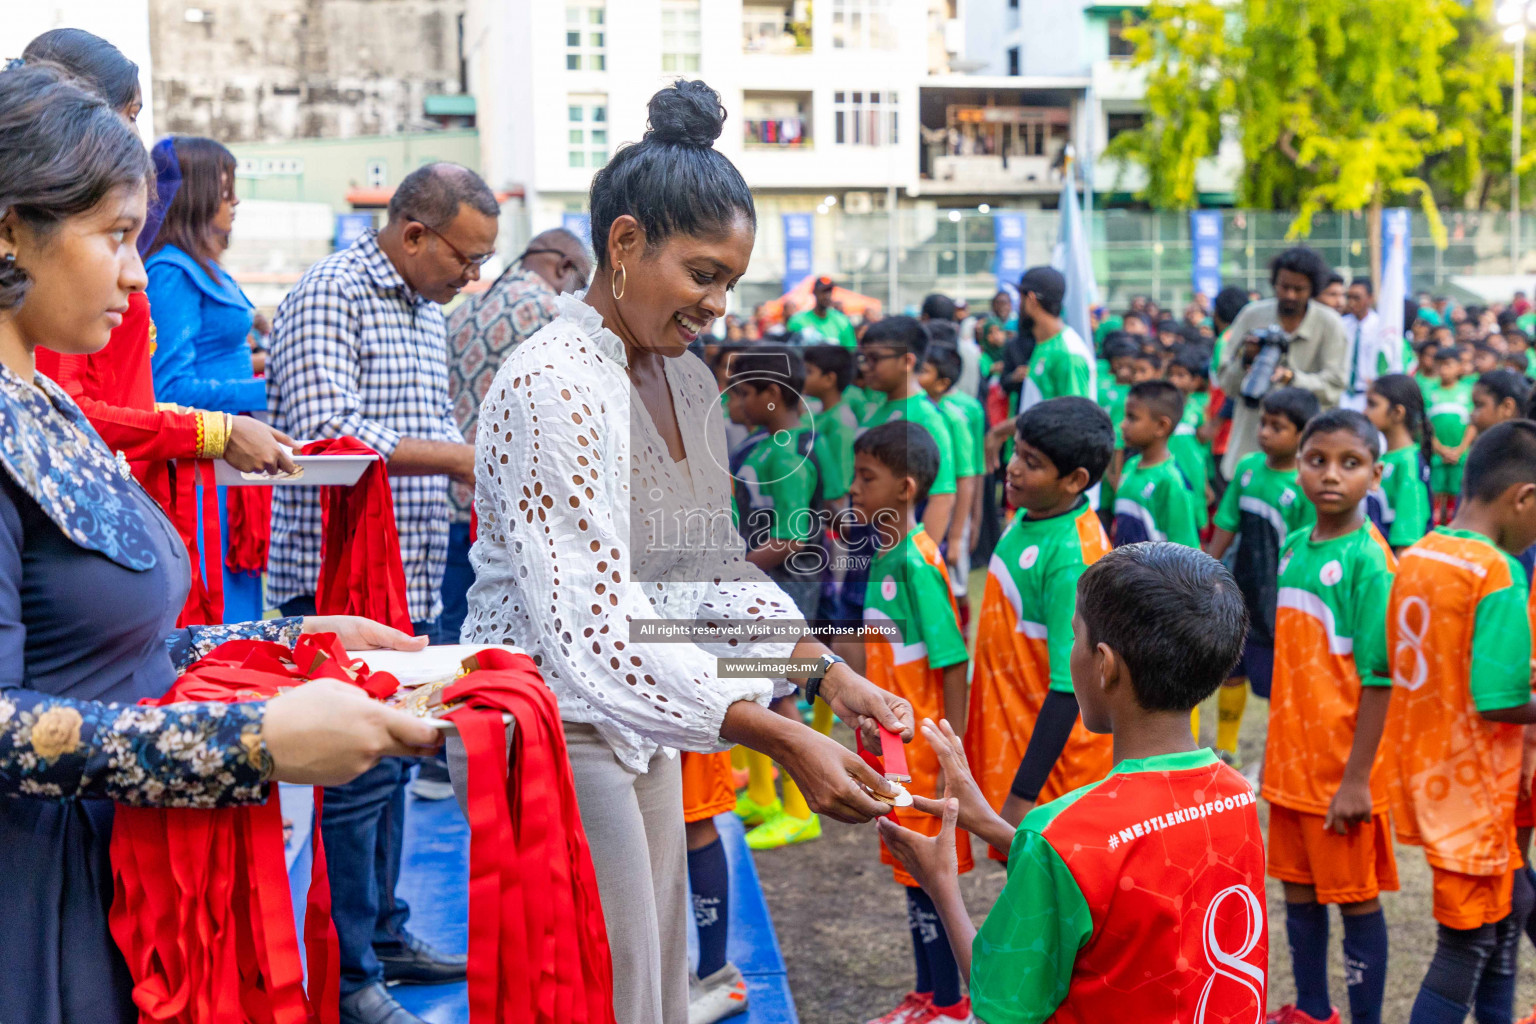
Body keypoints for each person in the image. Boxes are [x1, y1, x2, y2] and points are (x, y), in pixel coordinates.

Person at [461, 79, 914, 1024]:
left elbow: (702, 582)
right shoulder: (553, 382)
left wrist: (824, 677)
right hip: (550, 721)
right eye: (703, 274)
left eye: (729, 283)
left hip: (642, 710)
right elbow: (588, 633)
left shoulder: (685, 380)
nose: (717, 304)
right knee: (609, 990)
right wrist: (779, 734)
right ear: (624, 245)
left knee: (660, 983)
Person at [0, 63, 444, 1024]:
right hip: (30, 907)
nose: (134, 271)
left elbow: (118, 658)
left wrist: (290, 640)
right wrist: (248, 740)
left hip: (105, 878)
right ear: (9, 231)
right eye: (117, 236)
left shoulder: (51, 411)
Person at [266, 161, 499, 1024]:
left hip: (408, 566)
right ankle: (351, 973)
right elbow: (329, 431)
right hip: (334, 581)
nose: (470, 278)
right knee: (353, 775)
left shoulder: (422, 310)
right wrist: (463, 460)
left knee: (398, 760)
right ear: (412, 235)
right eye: (465, 260)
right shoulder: (331, 293)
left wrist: (482, 477)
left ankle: (386, 933)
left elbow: (430, 430)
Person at [877, 543, 1267, 1024]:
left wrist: (940, 884)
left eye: (1074, 637)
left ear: (1105, 664)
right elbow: (1119, 888)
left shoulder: (1060, 835)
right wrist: (997, 828)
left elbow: (1000, 1001)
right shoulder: (1235, 796)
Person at [21, 30, 296, 629]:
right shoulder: (24, 425)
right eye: (114, 236)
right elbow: (80, 409)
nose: (139, 276)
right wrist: (215, 427)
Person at [1385, 421, 1536, 1024]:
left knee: (1501, 928)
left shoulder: (1419, 554)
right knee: (1467, 945)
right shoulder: (1496, 572)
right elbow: (1497, 700)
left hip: (1429, 776)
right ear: (1523, 497)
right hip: (1472, 786)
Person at [1263, 410, 1398, 1024]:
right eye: (1318, 461)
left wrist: (1357, 779)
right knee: (1297, 891)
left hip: (1339, 771)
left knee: (1355, 900)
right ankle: (1312, 1010)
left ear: (1376, 473)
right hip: (1291, 764)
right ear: (1299, 466)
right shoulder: (1295, 544)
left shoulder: (1373, 563)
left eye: (1350, 464)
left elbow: (1381, 678)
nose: (1331, 476)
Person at [848, 421, 974, 1024]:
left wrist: (951, 753)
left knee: (927, 876)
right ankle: (929, 994)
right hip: (892, 751)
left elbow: (952, 662)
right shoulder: (886, 553)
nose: (852, 488)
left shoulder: (920, 563)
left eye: (865, 478)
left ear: (903, 487)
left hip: (918, 757)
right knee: (910, 875)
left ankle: (949, 1001)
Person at [965, 398, 1114, 844]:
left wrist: (1022, 795)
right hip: (1016, 735)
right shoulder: (1030, 515)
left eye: (1031, 462)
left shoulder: (1072, 556)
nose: (1012, 468)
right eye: (1015, 451)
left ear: (1074, 480)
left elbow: (1069, 689)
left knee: (1057, 893)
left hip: (1057, 770)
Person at [442, 227, 591, 641]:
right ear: (564, 267)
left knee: (453, 640)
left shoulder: (464, 310)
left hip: (453, 502)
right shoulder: (553, 315)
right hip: (514, 516)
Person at [144, 135, 270, 623]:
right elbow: (168, 389)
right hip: (200, 474)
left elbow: (220, 359)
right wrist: (267, 390)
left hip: (230, 463)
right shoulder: (172, 272)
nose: (234, 202)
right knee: (218, 620)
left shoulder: (203, 267)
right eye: (224, 190)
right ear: (195, 195)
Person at [1204, 387, 1317, 763]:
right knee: (1230, 671)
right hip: (1241, 587)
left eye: (1277, 427)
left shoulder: (1303, 485)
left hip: (1279, 599)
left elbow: (1305, 548)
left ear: (1302, 435)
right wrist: (1207, 570)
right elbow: (1226, 523)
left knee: (1276, 683)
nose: (1264, 432)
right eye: (1264, 423)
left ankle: (1280, 751)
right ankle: (1227, 747)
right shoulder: (1248, 468)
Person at [1216, 247, 1350, 479]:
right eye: (1284, 286)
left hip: (1305, 455)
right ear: (1274, 283)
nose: (1289, 295)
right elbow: (1226, 382)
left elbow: (1335, 387)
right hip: (1249, 448)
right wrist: (1246, 361)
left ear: (1313, 289)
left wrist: (1292, 378)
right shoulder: (1251, 316)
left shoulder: (1330, 325)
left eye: (1299, 289)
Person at [856, 315, 958, 544]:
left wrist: (919, 560)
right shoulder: (875, 410)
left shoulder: (926, 417)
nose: (866, 367)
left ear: (907, 361)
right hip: (869, 538)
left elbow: (942, 496)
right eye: (864, 358)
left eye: (875, 359)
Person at [918, 343, 983, 619]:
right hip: (925, 511)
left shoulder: (953, 419)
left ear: (942, 383)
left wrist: (957, 536)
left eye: (924, 371)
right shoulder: (920, 412)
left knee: (952, 585)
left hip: (950, 517)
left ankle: (960, 642)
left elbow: (966, 480)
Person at [1113, 380, 1201, 548]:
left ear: (1161, 426)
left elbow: (1185, 550)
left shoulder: (1171, 482)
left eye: (1132, 418)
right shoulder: (1131, 465)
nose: (1123, 425)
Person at [1364, 374, 1433, 551]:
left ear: (1397, 413)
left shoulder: (1408, 462)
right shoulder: (1384, 457)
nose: (1364, 412)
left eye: (1372, 404)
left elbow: (1408, 537)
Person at [1424, 343, 1476, 525]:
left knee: (1456, 497)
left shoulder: (1468, 391)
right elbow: (1425, 426)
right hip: (1438, 456)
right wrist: (1439, 449)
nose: (1444, 369)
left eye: (1449, 364)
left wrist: (1461, 449)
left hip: (1460, 457)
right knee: (1436, 496)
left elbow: (1472, 424)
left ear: (1459, 367)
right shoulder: (1429, 392)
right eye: (1440, 364)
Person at [1167, 343, 1213, 529]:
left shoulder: (1199, 408)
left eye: (1181, 375)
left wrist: (1206, 482)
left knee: (1193, 519)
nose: (1174, 380)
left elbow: (1203, 449)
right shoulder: (1163, 409)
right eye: (1171, 374)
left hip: (1193, 470)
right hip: (1170, 470)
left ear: (1194, 381)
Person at [1340, 277, 1386, 411]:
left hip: (1367, 394)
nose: (1352, 303)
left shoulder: (1380, 327)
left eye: (1357, 298)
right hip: (1343, 393)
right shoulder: (1341, 325)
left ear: (1370, 298)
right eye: (1349, 297)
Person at [786, 275, 857, 348]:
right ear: (814, 292)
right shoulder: (797, 321)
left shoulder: (843, 321)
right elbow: (791, 352)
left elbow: (850, 351)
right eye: (823, 292)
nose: (827, 296)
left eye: (829, 291)